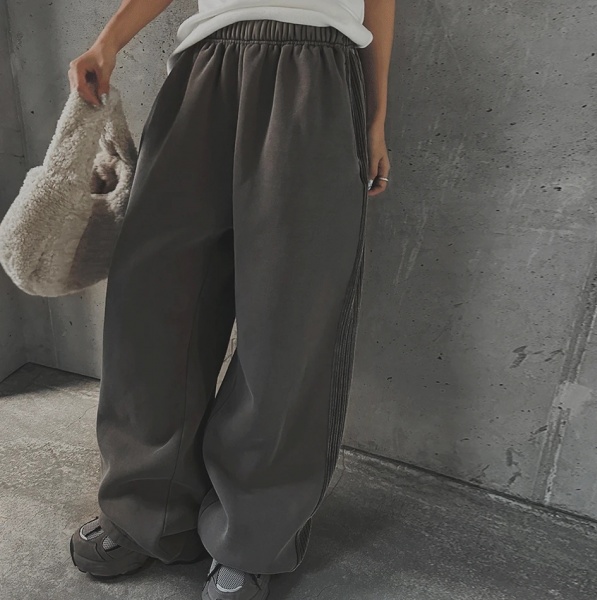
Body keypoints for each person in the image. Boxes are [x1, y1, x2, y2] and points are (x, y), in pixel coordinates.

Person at [67, 1, 394, 598]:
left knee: (288, 316)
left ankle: (250, 535)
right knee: (154, 299)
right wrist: (108, 41)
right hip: (204, 66)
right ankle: (145, 508)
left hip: (318, 68)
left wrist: (376, 116)